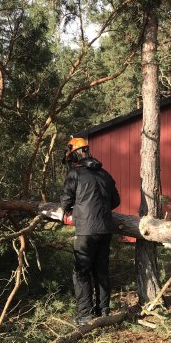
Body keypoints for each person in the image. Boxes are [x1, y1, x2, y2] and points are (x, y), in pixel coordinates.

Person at [60, 136, 120, 325]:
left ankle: (85, 315)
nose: (70, 162)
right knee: (101, 270)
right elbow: (116, 201)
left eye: (71, 159)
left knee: (81, 272)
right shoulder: (105, 174)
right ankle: (103, 310)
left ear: (76, 155)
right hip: (105, 229)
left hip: (86, 230)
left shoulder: (75, 175)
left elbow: (65, 201)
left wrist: (71, 210)